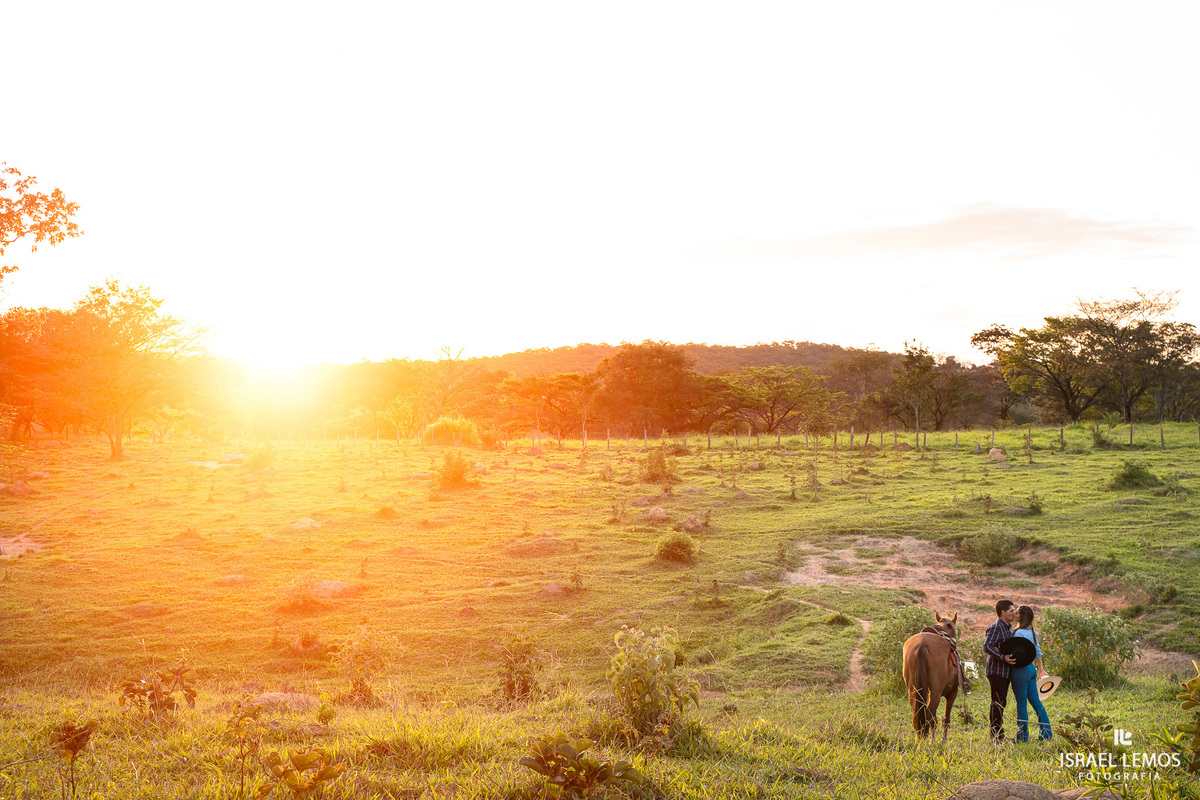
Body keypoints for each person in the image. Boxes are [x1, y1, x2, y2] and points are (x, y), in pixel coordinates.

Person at [1011, 605, 1052, 742]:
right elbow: (1038, 652)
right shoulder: (1034, 633)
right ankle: (1046, 734)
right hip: (1031, 669)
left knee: (1021, 704)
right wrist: (1041, 670)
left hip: (1020, 670)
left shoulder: (1018, 633)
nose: (1015, 615)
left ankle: (1022, 737)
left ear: (1022, 616)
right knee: (1036, 702)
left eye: (1017, 613)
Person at [983, 598, 1018, 743]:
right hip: (996, 670)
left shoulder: (1007, 627)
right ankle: (996, 736)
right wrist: (1002, 657)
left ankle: (998, 734)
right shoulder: (996, 627)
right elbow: (987, 646)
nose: (1014, 613)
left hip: (1003, 671)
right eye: (1011, 611)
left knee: (1001, 702)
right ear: (1003, 612)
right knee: (997, 703)